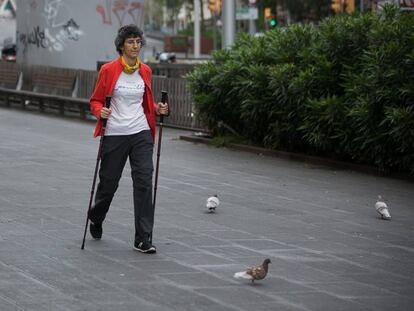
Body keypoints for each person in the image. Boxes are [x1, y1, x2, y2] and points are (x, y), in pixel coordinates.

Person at [88, 24, 168, 254]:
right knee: (108, 184)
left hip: (141, 132)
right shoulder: (109, 70)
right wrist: (99, 112)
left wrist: (157, 108)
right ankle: (96, 216)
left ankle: (143, 238)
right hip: (115, 133)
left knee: (144, 182)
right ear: (122, 45)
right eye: (131, 41)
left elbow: (143, 104)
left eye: (138, 42)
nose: (135, 46)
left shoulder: (145, 71)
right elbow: (95, 101)